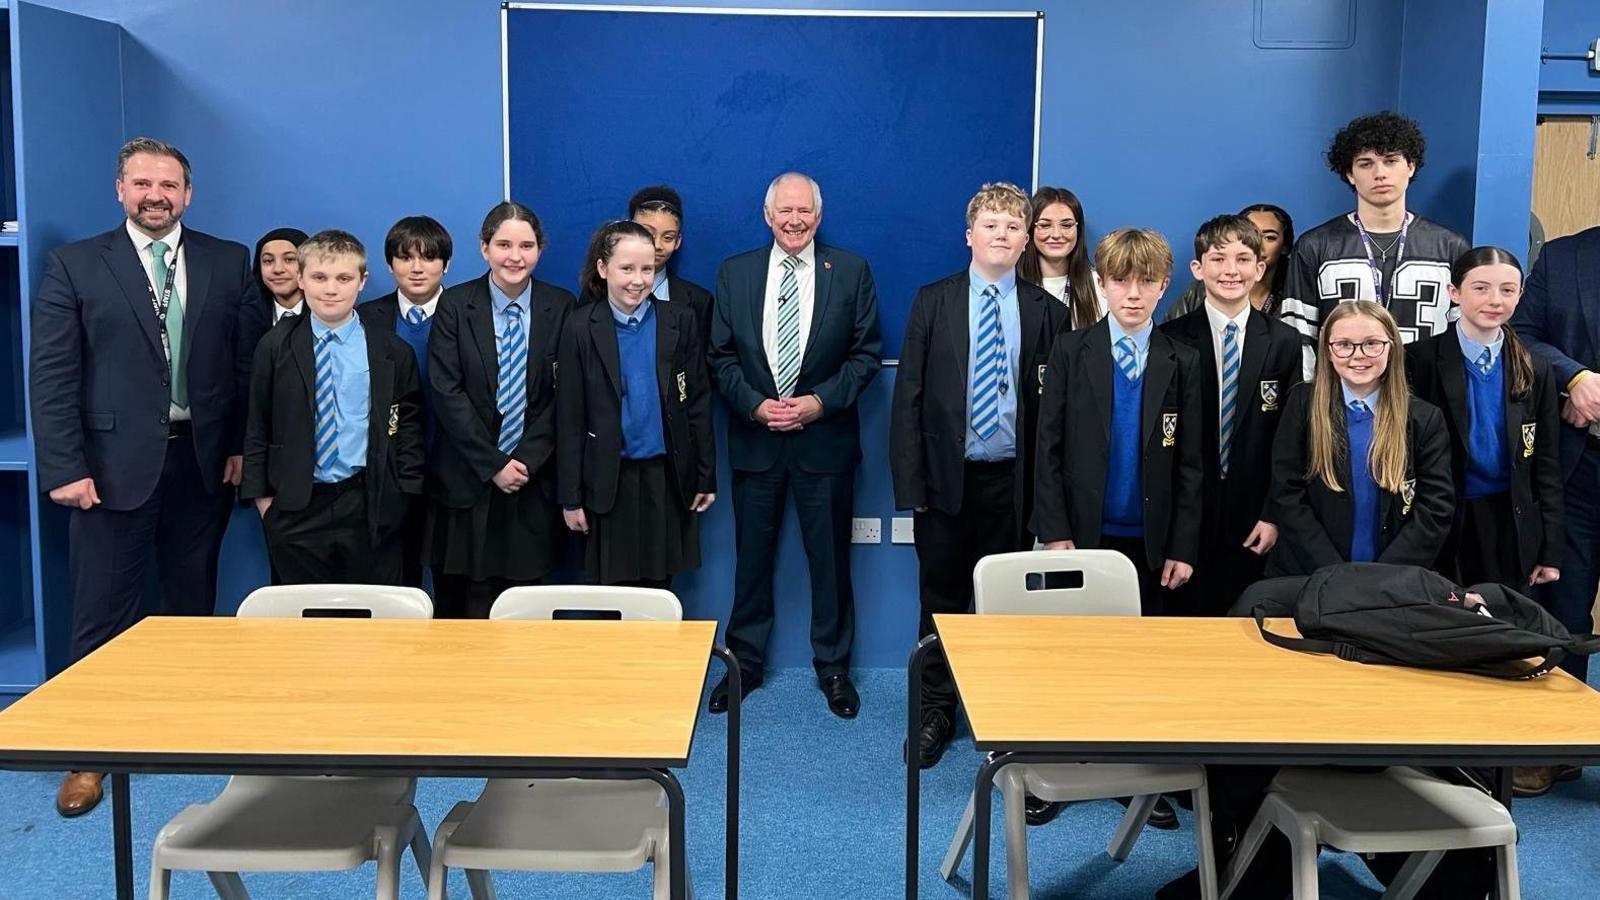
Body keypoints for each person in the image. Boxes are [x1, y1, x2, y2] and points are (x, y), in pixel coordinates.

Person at [29, 137, 267, 817]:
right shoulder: (75, 265)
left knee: (192, 604)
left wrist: (244, 449)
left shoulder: (228, 260)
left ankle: (179, 731)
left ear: (188, 193)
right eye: (141, 184)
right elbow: (52, 373)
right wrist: (65, 465)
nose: (155, 195)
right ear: (120, 190)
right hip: (107, 470)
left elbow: (246, 364)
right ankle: (87, 755)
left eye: (168, 185)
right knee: (100, 613)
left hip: (203, 461)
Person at [890, 182, 1063, 768]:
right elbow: (908, 398)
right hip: (945, 479)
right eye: (991, 225)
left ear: (1026, 244)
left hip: (1012, 484)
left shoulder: (1048, 312)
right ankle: (935, 708)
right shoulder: (932, 301)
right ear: (970, 235)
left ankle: (1003, 710)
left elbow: (1055, 415)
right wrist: (912, 487)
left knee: (1006, 605)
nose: (1002, 235)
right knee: (940, 599)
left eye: (1014, 228)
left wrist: (1047, 499)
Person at [707, 172, 882, 718]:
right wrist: (756, 405)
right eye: (785, 211)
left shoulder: (850, 271)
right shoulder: (735, 273)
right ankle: (745, 666)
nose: (794, 220)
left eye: (804, 211)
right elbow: (720, 358)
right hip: (756, 441)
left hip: (824, 442)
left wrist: (818, 403)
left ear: (818, 216)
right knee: (751, 562)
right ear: (767, 216)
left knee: (829, 564)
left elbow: (866, 355)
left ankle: (834, 669)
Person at [1034, 227, 1203, 612]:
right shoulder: (1070, 351)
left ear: (1163, 287)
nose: (1133, 294)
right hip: (1080, 533)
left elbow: (1191, 466)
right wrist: (1055, 530)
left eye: (1147, 281)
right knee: (1078, 647)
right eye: (1121, 280)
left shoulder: (1183, 360)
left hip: (1152, 541)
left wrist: (1183, 546)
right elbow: (1048, 449)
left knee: (1141, 653)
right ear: (1101, 282)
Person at [241, 230, 424, 584]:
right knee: (305, 621)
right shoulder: (275, 346)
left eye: (343, 278)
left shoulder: (391, 351)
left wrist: (404, 494)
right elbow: (257, 424)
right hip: (297, 504)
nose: (330, 289)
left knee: (370, 617)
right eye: (319, 277)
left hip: (367, 503)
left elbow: (409, 427)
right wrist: (264, 500)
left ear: (362, 281)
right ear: (301, 279)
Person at [426, 201, 574, 619]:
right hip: (467, 480)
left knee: (525, 607)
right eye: (504, 244)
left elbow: (564, 396)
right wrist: (493, 463)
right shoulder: (455, 305)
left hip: (532, 480)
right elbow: (446, 390)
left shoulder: (561, 306)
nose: (515, 255)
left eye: (526, 245)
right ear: (484, 247)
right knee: (466, 607)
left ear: (540, 250)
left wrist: (524, 460)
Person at [557, 221, 715, 587]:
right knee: (613, 596)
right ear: (603, 268)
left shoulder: (679, 320)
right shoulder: (580, 327)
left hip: (666, 479)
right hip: (607, 482)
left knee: (660, 592)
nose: (637, 280)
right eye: (626, 268)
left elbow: (697, 402)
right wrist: (570, 497)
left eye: (647, 269)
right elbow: (569, 417)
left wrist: (705, 474)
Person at [1159, 214, 1303, 614]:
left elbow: (1290, 439)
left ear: (1260, 268)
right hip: (1185, 514)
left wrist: (1274, 514)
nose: (1230, 271)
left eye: (1243, 259)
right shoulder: (1170, 340)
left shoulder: (1283, 342)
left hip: (1253, 516)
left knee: (1244, 620)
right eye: (1218, 259)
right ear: (1197, 268)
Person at [1406, 246, 1561, 592]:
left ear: (1520, 295)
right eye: (1480, 288)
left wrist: (1550, 549)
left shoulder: (1536, 367)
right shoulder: (1419, 359)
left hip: (1510, 522)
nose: (1495, 300)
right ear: (1454, 292)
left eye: (1507, 290)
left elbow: (1547, 465)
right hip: (1445, 517)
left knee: (1505, 625)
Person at [1266, 301, 1453, 577]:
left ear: (1391, 348)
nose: (1358, 356)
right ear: (1328, 351)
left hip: (1394, 580)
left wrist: (1381, 578)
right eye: (1344, 344)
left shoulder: (1425, 419)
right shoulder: (1302, 404)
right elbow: (1287, 492)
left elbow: (1436, 507)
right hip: (1311, 574)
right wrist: (1334, 573)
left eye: (1371, 344)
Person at [1510, 224, 1600, 795]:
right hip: (1582, 468)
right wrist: (1576, 379)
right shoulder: (1566, 255)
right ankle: (1555, 742)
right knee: (1564, 606)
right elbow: (1524, 333)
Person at [1278, 112, 1470, 378]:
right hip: (1340, 400)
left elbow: (1463, 336)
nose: (1379, 173)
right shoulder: (1315, 246)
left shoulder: (1450, 246)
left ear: (1411, 166)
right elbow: (1298, 339)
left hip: (1426, 399)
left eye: (1391, 161)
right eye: (1366, 163)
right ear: (1350, 174)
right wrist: (1310, 402)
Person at [356, 215, 452, 589]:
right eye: (404, 257)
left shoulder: (466, 312)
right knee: (395, 577)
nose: (416, 268)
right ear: (389, 264)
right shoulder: (365, 318)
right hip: (389, 469)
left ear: (446, 264)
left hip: (453, 466)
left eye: (428, 258)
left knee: (450, 580)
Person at [1163, 204, 1295, 321]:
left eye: (1269, 237)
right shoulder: (1199, 291)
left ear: (1285, 246)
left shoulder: (1296, 291)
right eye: (1249, 235)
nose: (1258, 244)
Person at [629, 185, 714, 344]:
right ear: (628, 232)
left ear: (678, 241)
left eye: (668, 237)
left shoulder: (699, 301)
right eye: (648, 234)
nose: (657, 245)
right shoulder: (599, 291)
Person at [1015, 186, 1105, 330]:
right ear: (1030, 231)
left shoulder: (1100, 287)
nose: (1056, 234)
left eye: (1066, 225)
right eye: (1045, 225)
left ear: (1078, 230)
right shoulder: (1011, 286)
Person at [254, 227, 309, 325]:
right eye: (268, 261)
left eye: (289, 259)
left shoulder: (327, 315)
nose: (277, 269)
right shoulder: (247, 318)